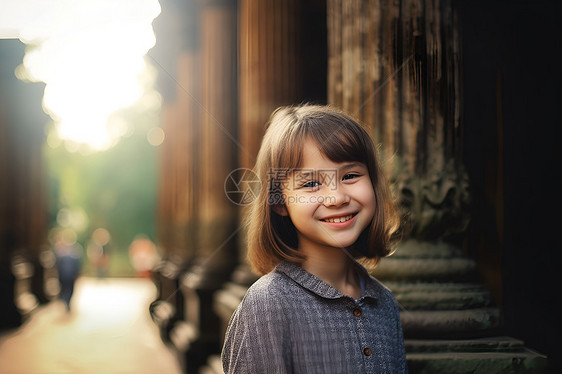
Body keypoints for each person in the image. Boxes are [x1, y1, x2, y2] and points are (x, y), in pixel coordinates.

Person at [221, 104, 407, 373]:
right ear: (279, 202)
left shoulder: (384, 302)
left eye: (351, 176)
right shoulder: (268, 304)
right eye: (310, 184)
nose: (337, 198)